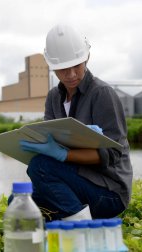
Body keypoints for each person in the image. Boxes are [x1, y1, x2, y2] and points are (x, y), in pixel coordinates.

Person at [19, 24, 133, 221]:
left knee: (40, 166)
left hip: (108, 192)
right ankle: (71, 217)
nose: (70, 74)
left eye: (76, 66)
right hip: (76, 182)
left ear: (86, 58)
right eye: (63, 69)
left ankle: (82, 229)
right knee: (17, 201)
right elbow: (50, 142)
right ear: (52, 67)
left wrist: (64, 154)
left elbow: (114, 153)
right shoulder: (54, 97)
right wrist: (46, 146)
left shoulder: (101, 94)